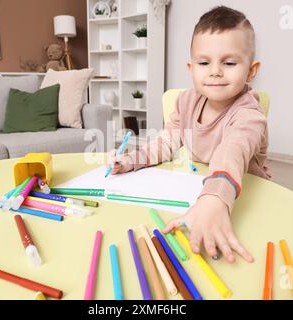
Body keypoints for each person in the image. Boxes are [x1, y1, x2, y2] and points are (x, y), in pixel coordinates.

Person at [107, 6, 271, 263]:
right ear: (191, 67)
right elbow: (166, 142)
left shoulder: (249, 112)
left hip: (241, 190)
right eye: (204, 63)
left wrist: (215, 199)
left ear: (251, 70)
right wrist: (132, 160)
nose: (215, 71)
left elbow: (233, 151)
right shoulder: (186, 101)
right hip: (198, 184)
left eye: (229, 63)